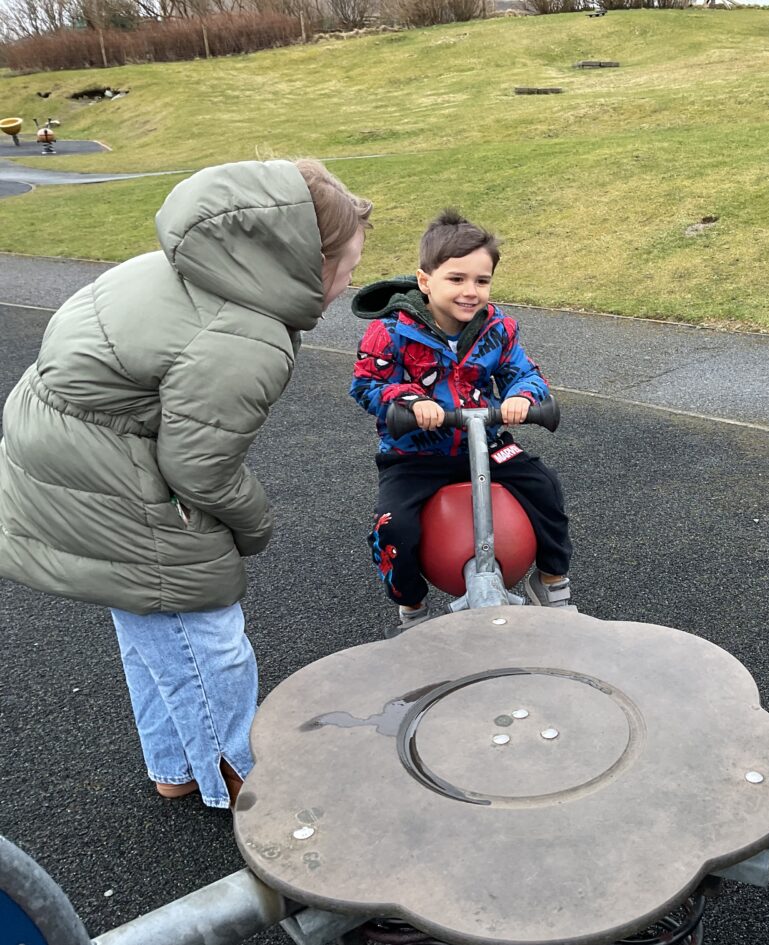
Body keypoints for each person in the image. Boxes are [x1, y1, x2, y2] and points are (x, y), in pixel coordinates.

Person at [0, 159, 372, 809]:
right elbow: (201, 468)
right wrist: (255, 524)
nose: (350, 281)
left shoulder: (191, 267)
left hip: (61, 449)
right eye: (347, 266)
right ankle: (243, 784)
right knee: (204, 633)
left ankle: (175, 765)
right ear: (309, 262)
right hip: (101, 471)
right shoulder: (246, 334)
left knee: (151, 623)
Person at [350, 210, 573, 629]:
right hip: (414, 454)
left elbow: (525, 373)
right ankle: (412, 607)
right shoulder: (391, 332)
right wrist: (410, 401)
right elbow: (367, 385)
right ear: (425, 281)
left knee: (545, 487)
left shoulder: (497, 329)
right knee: (394, 526)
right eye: (456, 279)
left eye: (481, 281)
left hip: (486, 442)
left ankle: (550, 579)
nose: (470, 291)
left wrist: (521, 397)